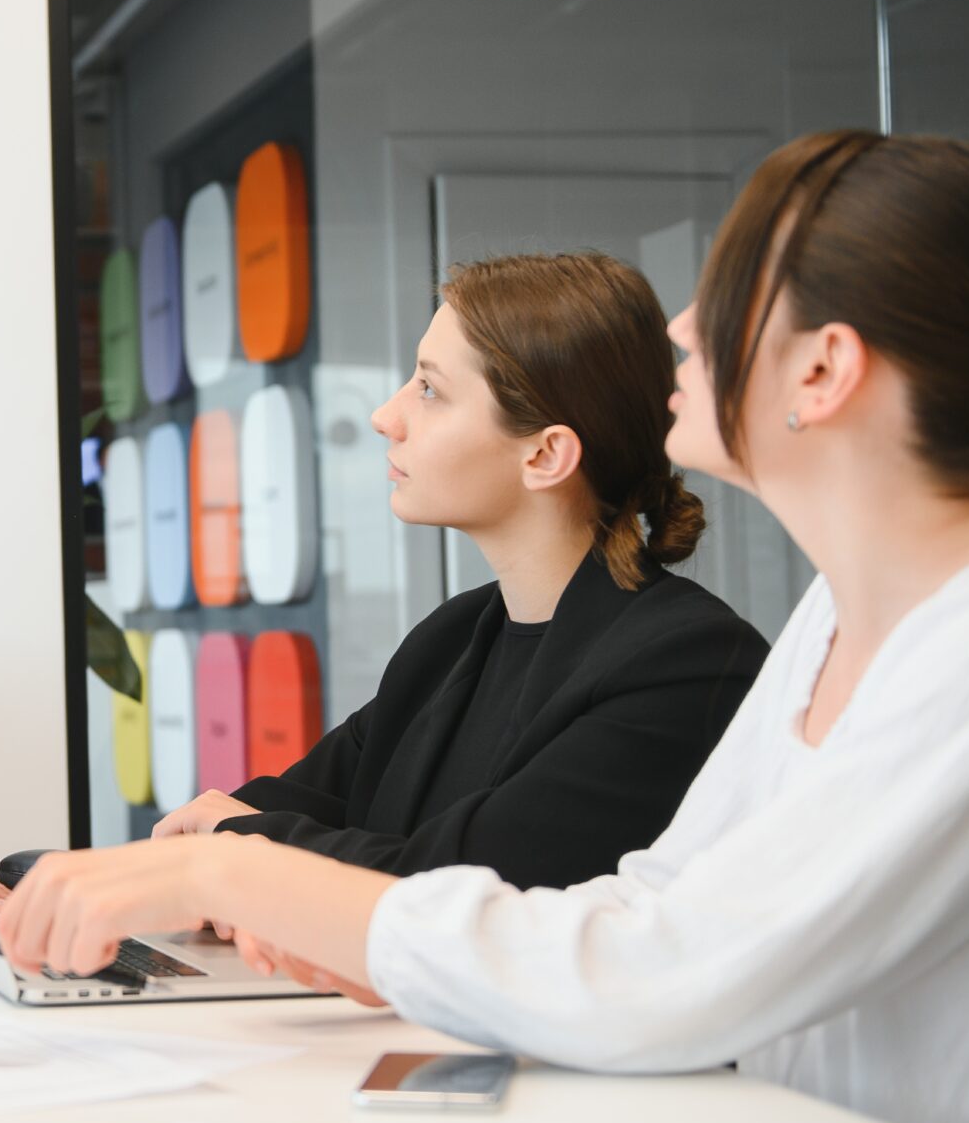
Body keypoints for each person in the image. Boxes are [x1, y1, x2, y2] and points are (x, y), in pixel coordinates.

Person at [0, 132, 969, 1123]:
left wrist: (232, 874)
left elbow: (669, 968)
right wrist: (333, 922)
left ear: (825, 368)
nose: (683, 329)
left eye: (727, 291)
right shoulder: (836, 622)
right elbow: (652, 899)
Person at [155, 253, 765, 889]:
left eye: (429, 390)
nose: (384, 417)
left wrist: (237, 842)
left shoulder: (686, 664)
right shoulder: (453, 636)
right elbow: (307, 804)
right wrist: (211, 835)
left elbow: (456, 882)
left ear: (546, 453)